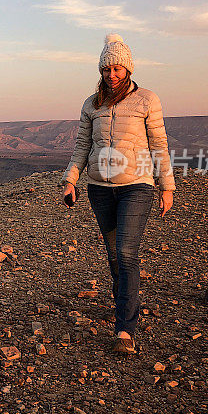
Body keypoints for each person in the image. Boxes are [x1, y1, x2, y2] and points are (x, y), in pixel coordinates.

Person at [61, 34, 175, 355]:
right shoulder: (92, 104)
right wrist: (70, 181)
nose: (112, 74)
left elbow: (159, 145)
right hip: (99, 189)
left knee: (126, 253)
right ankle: (125, 301)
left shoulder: (147, 100)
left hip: (137, 185)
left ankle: (125, 327)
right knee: (114, 257)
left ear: (128, 69)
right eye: (107, 69)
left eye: (118, 68)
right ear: (101, 70)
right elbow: (83, 146)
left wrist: (166, 186)